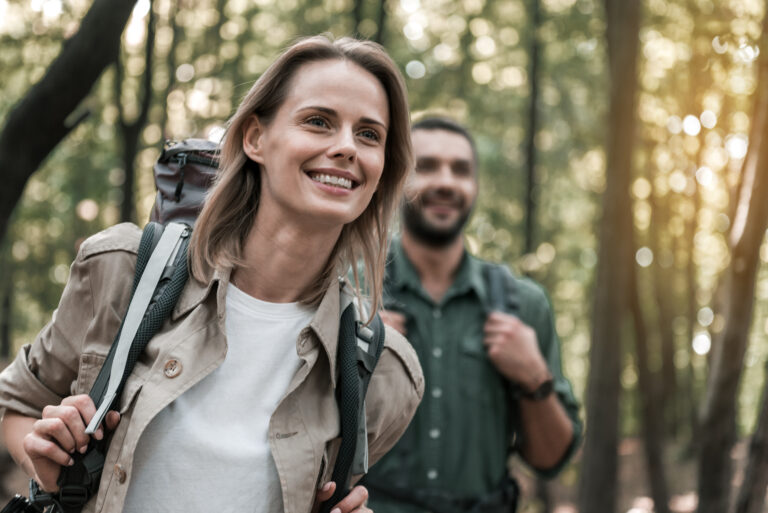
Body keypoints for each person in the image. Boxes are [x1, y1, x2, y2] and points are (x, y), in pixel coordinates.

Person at [0, 35, 424, 513]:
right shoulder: (123, 271)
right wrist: (49, 462)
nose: (346, 147)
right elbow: (15, 405)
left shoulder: (381, 370)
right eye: (319, 122)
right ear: (255, 138)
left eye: (369, 134)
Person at [363, 117, 582, 513]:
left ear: (475, 187)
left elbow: (551, 461)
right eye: (426, 166)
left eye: (461, 170)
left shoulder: (525, 304)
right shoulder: (350, 291)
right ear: (397, 179)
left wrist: (534, 377)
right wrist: (356, 358)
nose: (445, 181)